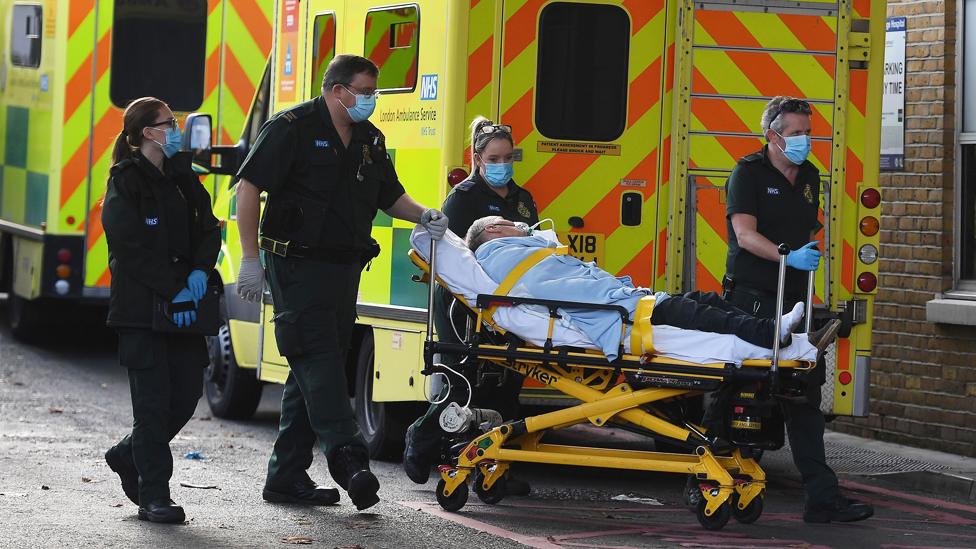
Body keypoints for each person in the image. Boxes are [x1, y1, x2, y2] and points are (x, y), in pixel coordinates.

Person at [234, 54, 448, 512]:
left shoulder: (369, 139)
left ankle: (286, 475)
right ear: (337, 90)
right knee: (318, 355)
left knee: (311, 366)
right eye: (364, 91)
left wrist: (424, 214)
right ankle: (349, 459)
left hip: (343, 269)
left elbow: (390, 196)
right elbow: (248, 187)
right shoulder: (291, 126)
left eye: (373, 92)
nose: (371, 99)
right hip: (295, 265)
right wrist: (250, 259)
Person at [721, 96, 873, 523]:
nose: (805, 139)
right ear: (773, 136)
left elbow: (808, 226)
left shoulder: (809, 175)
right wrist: (787, 257)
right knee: (746, 390)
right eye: (796, 133)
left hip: (796, 299)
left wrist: (805, 259)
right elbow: (745, 235)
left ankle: (822, 498)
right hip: (754, 299)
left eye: (808, 131)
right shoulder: (747, 173)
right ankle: (721, 479)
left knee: (804, 394)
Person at [461, 216, 840, 364]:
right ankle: (774, 334)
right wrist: (621, 301)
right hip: (617, 313)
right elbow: (563, 287)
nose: (517, 224)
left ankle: (791, 338)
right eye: (506, 222)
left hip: (622, 303)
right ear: (491, 231)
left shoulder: (513, 252)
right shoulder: (500, 255)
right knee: (700, 315)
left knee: (705, 302)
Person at [102, 97, 220, 524]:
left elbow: (209, 228)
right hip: (141, 311)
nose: (177, 128)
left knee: (186, 396)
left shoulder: (182, 176)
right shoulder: (126, 180)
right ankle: (155, 495)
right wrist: (175, 289)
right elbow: (128, 247)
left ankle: (125, 453)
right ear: (149, 133)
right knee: (151, 407)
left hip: (184, 309)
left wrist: (199, 275)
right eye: (170, 123)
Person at [402, 118, 538, 490]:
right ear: (477, 159)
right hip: (461, 304)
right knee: (462, 384)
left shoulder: (523, 201)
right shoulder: (463, 198)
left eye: (509, 157)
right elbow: (455, 253)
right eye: (494, 157)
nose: (503, 164)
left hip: (507, 303)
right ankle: (421, 438)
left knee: (507, 388)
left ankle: (496, 471)